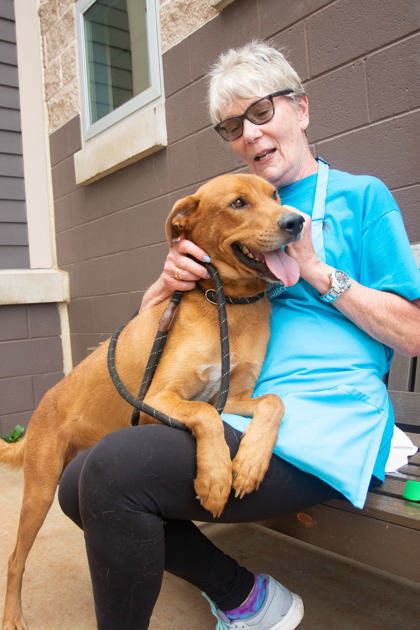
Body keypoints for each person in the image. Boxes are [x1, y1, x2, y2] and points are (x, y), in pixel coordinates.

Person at [58, 42, 420, 630]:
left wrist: (316, 269)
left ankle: (243, 599)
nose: (250, 134)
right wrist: (166, 283)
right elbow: (158, 329)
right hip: (239, 407)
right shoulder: (228, 208)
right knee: (76, 482)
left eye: (262, 111)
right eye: (233, 125)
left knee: (112, 472)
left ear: (301, 109)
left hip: (326, 417)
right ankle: (246, 598)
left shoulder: (361, 198)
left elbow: (413, 334)